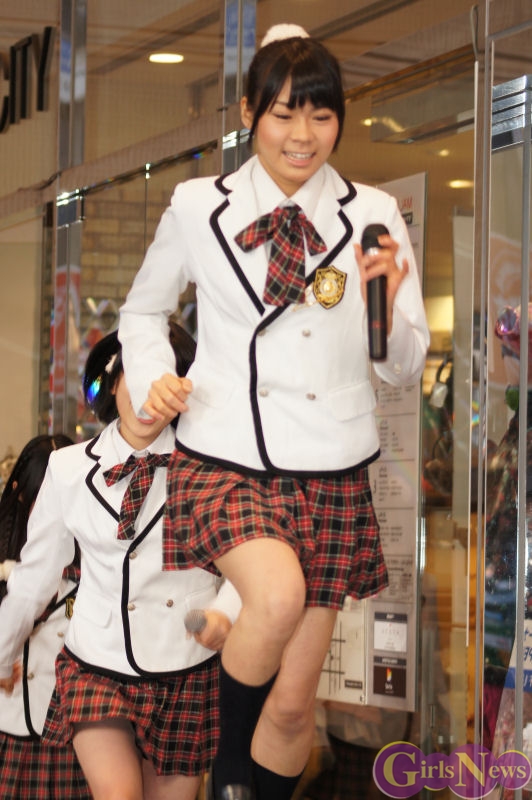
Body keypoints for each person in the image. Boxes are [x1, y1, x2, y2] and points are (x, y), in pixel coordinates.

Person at [118, 23, 429, 800]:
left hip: (331, 464)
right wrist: (155, 378)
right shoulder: (198, 206)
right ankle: (226, 771)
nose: (302, 135)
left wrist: (384, 306)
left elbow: (401, 363)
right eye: (285, 114)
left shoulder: (373, 214)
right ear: (250, 113)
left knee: (292, 707)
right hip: (226, 448)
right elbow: (142, 312)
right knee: (278, 595)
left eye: (321, 116)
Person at [0, 324, 241, 800]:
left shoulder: (212, 469)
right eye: (140, 374)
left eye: (165, 379)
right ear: (113, 382)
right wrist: (3, 651)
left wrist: (226, 614)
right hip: (96, 661)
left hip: (184, 664)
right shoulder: (67, 468)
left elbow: (245, 562)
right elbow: (34, 577)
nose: (151, 393)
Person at [0, 433, 92, 799]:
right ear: (21, 494)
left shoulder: (98, 561)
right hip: (7, 728)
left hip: (68, 734)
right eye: (43, 495)